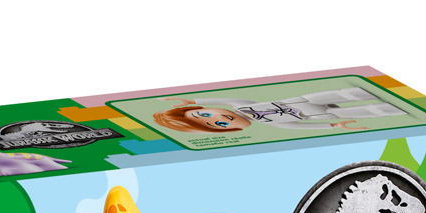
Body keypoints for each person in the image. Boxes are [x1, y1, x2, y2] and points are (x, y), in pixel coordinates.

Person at [153, 86, 405, 134]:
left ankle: (385, 95)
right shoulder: (268, 124)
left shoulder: (241, 105)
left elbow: (227, 97)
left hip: (306, 99)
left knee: (349, 94)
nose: (219, 118)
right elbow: (295, 127)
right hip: (319, 114)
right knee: (372, 111)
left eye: (206, 114)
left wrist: (191, 98)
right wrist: (333, 125)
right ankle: (392, 108)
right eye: (217, 124)